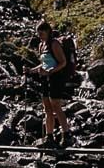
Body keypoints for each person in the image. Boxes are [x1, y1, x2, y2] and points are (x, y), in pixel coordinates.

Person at [26, 20, 73, 150]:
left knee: (56, 106)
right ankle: (49, 136)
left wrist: (50, 72)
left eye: (42, 32)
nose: (40, 35)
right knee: (47, 108)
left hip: (56, 78)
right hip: (45, 79)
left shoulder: (55, 44)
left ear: (48, 32)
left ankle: (66, 134)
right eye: (38, 33)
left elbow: (62, 62)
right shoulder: (41, 45)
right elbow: (44, 63)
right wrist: (31, 70)